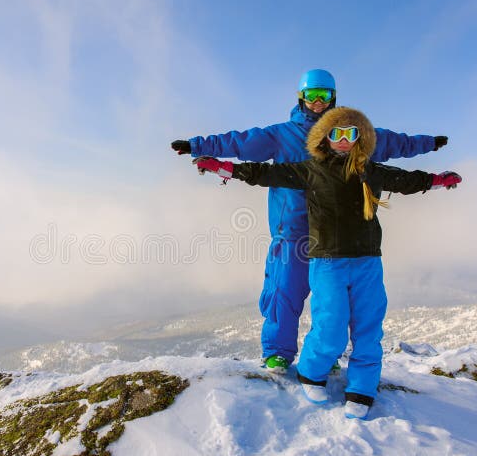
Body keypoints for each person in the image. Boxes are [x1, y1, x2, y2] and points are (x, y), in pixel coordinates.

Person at [192, 107, 461, 419]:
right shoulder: (311, 169)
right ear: (325, 137)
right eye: (336, 133)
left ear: (361, 138)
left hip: (367, 261)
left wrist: (438, 181)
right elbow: (263, 174)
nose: (344, 140)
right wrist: (222, 168)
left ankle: (362, 388)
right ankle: (311, 371)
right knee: (331, 325)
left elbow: (406, 180)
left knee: (368, 328)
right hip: (328, 261)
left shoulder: (369, 170)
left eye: (351, 134)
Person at [171, 69, 448, 373]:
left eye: (325, 96)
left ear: (334, 98)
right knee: (284, 290)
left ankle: (323, 356)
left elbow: (393, 143)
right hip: (293, 230)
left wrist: (428, 143)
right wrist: (198, 145)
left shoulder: (347, 134)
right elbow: (239, 143)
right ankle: (277, 352)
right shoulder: (281, 135)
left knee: (331, 302)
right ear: (301, 97)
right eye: (312, 96)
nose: (318, 102)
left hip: (333, 235)